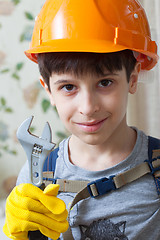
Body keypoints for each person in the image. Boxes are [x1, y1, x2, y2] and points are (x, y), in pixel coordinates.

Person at [3, 0, 160, 239]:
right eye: (68, 87)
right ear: (48, 90)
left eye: (105, 82)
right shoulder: (39, 172)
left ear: (133, 78)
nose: (87, 108)